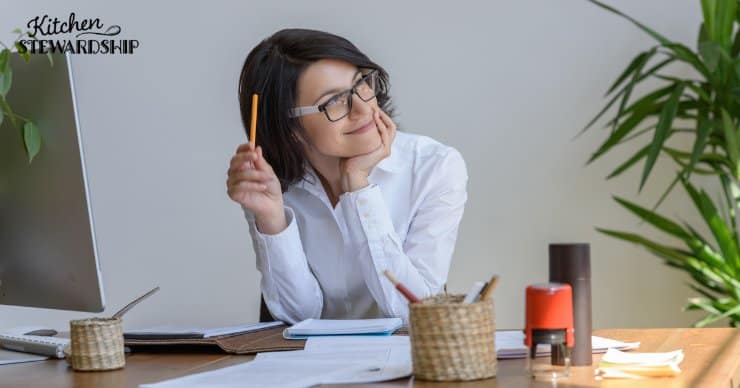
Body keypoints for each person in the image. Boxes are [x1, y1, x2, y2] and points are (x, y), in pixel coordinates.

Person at [226, 28, 468, 324]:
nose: (364, 107)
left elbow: (416, 311)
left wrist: (359, 188)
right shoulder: (267, 182)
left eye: (362, 83)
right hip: (310, 365)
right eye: (334, 101)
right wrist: (272, 218)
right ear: (289, 126)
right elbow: (299, 316)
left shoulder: (434, 167)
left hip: (407, 362)